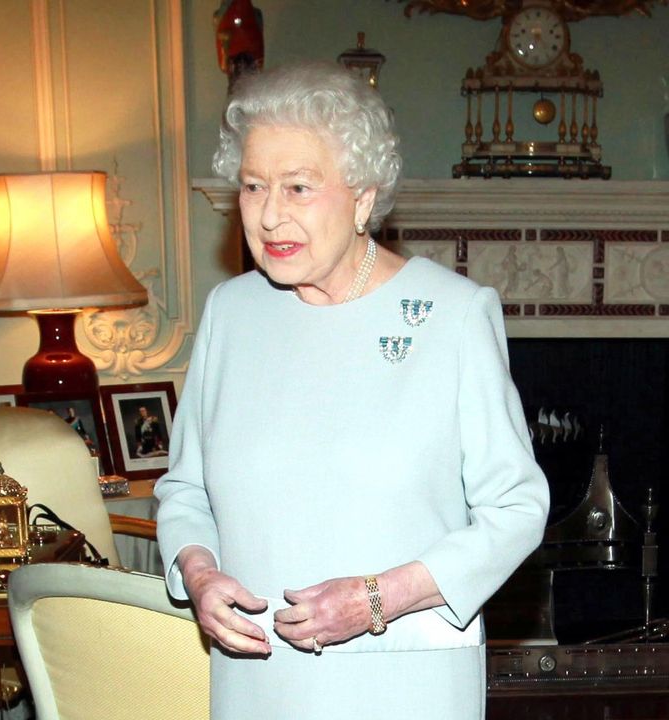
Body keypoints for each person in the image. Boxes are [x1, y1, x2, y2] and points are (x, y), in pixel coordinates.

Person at [155, 62, 549, 718]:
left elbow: (516, 509)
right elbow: (185, 489)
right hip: (257, 683)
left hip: (402, 681)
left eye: (299, 187)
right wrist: (198, 573)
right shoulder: (230, 312)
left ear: (363, 196)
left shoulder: (452, 315)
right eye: (254, 186)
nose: (270, 214)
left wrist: (377, 598)